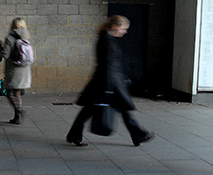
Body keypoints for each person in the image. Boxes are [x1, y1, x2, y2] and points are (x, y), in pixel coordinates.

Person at [66, 15, 154, 146]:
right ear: (114, 26)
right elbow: (107, 65)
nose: (125, 31)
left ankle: (137, 135)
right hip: (107, 84)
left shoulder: (107, 39)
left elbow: (112, 64)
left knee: (90, 110)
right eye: (123, 28)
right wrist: (108, 88)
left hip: (108, 82)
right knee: (111, 109)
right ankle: (138, 134)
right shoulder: (106, 40)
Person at [0, 18, 32, 124]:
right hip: (25, 70)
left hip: (14, 70)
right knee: (17, 93)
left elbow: (6, 55)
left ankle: (19, 111)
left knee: (9, 93)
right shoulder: (26, 36)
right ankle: (17, 117)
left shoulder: (10, 37)